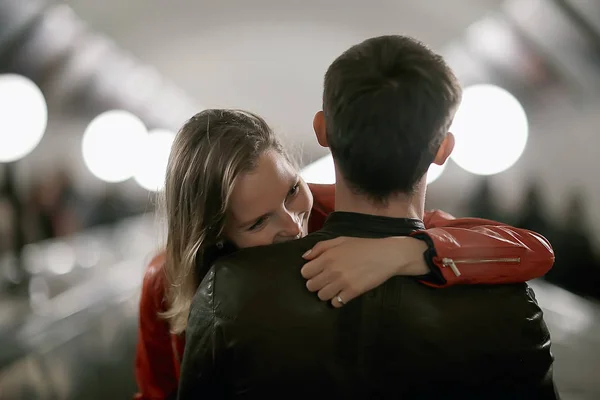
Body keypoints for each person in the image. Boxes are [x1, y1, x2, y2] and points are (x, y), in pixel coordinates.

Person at [177, 36, 558, 399]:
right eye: (257, 221)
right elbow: (530, 251)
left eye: (292, 192)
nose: (292, 225)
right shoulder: (507, 303)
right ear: (443, 149)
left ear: (322, 130)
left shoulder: (229, 290)